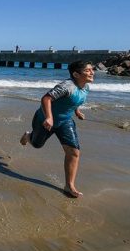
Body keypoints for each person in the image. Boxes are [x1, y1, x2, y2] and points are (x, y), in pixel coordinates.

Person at [19, 61, 94, 198]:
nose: (92, 72)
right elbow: (46, 99)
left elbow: (75, 100)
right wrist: (49, 117)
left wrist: (77, 112)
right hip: (45, 119)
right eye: (88, 70)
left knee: (73, 152)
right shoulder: (66, 86)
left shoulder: (86, 87)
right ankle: (28, 136)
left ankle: (69, 186)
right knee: (37, 144)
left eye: (92, 69)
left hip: (65, 121)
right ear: (76, 74)